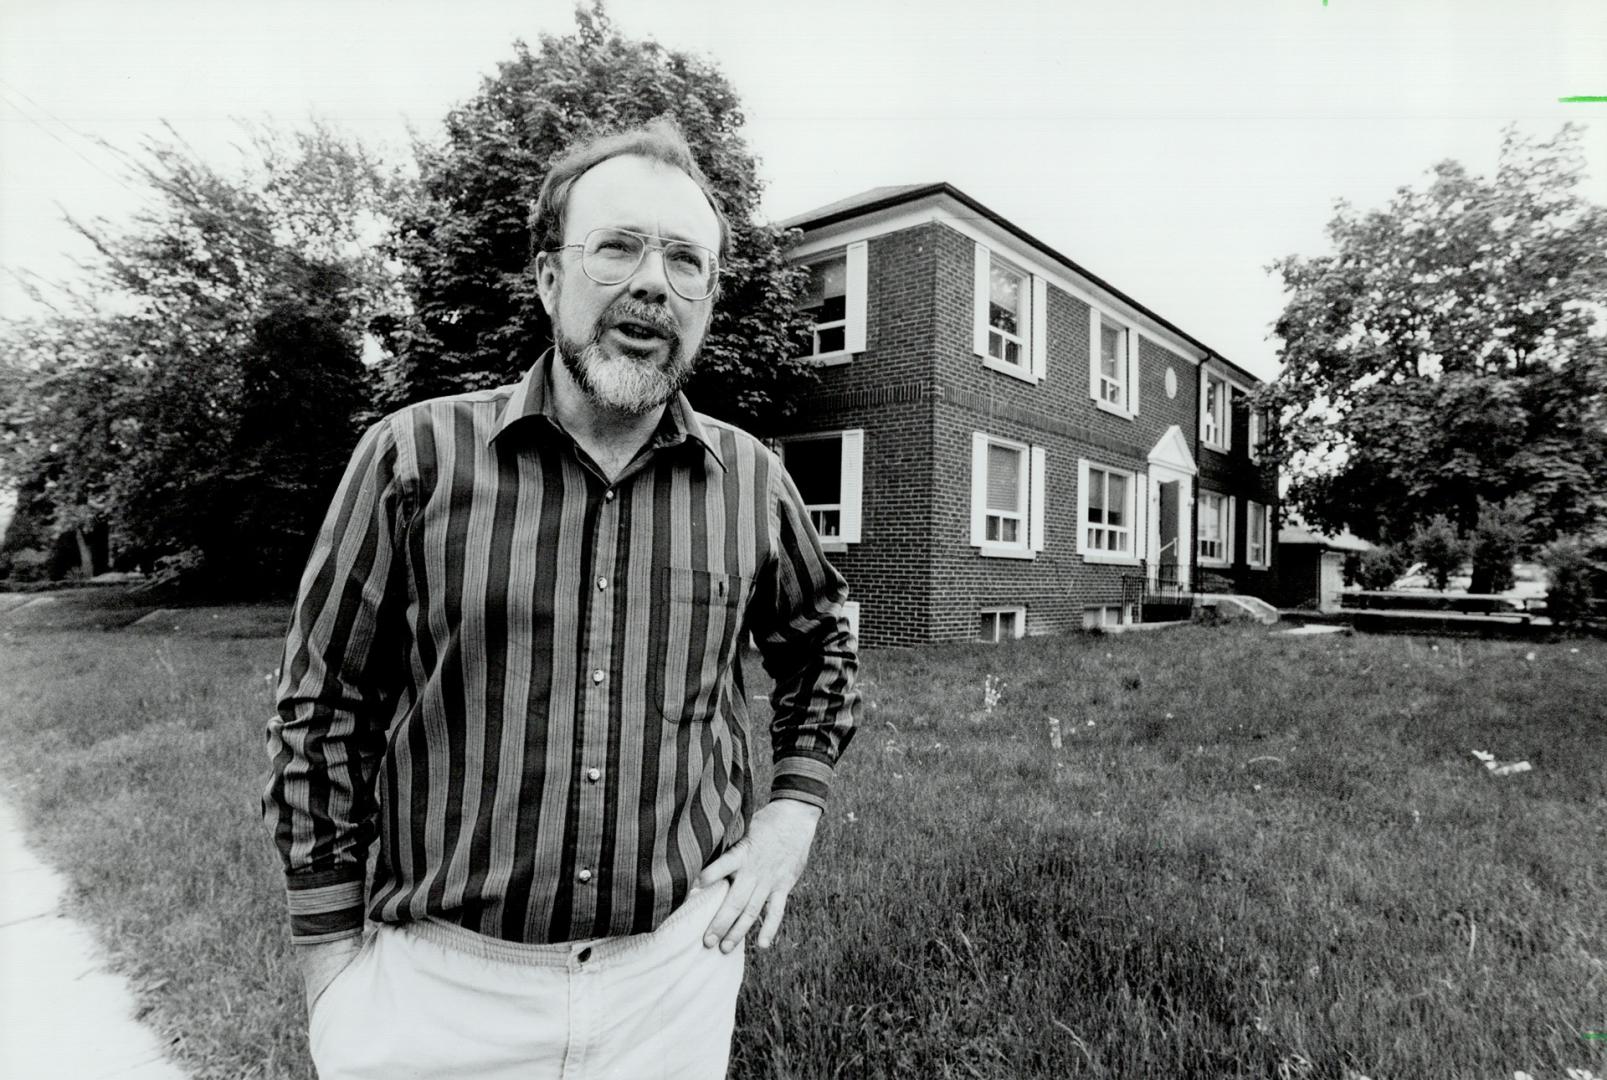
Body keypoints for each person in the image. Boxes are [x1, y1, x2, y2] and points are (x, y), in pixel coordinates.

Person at [263, 117, 860, 1080]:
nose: (652, 282)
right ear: (549, 279)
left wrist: (792, 813)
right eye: (616, 246)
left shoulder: (753, 481)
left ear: (707, 298)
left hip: (672, 984)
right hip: (440, 996)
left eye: (684, 260)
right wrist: (332, 972)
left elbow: (820, 651)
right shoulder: (413, 457)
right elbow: (319, 711)